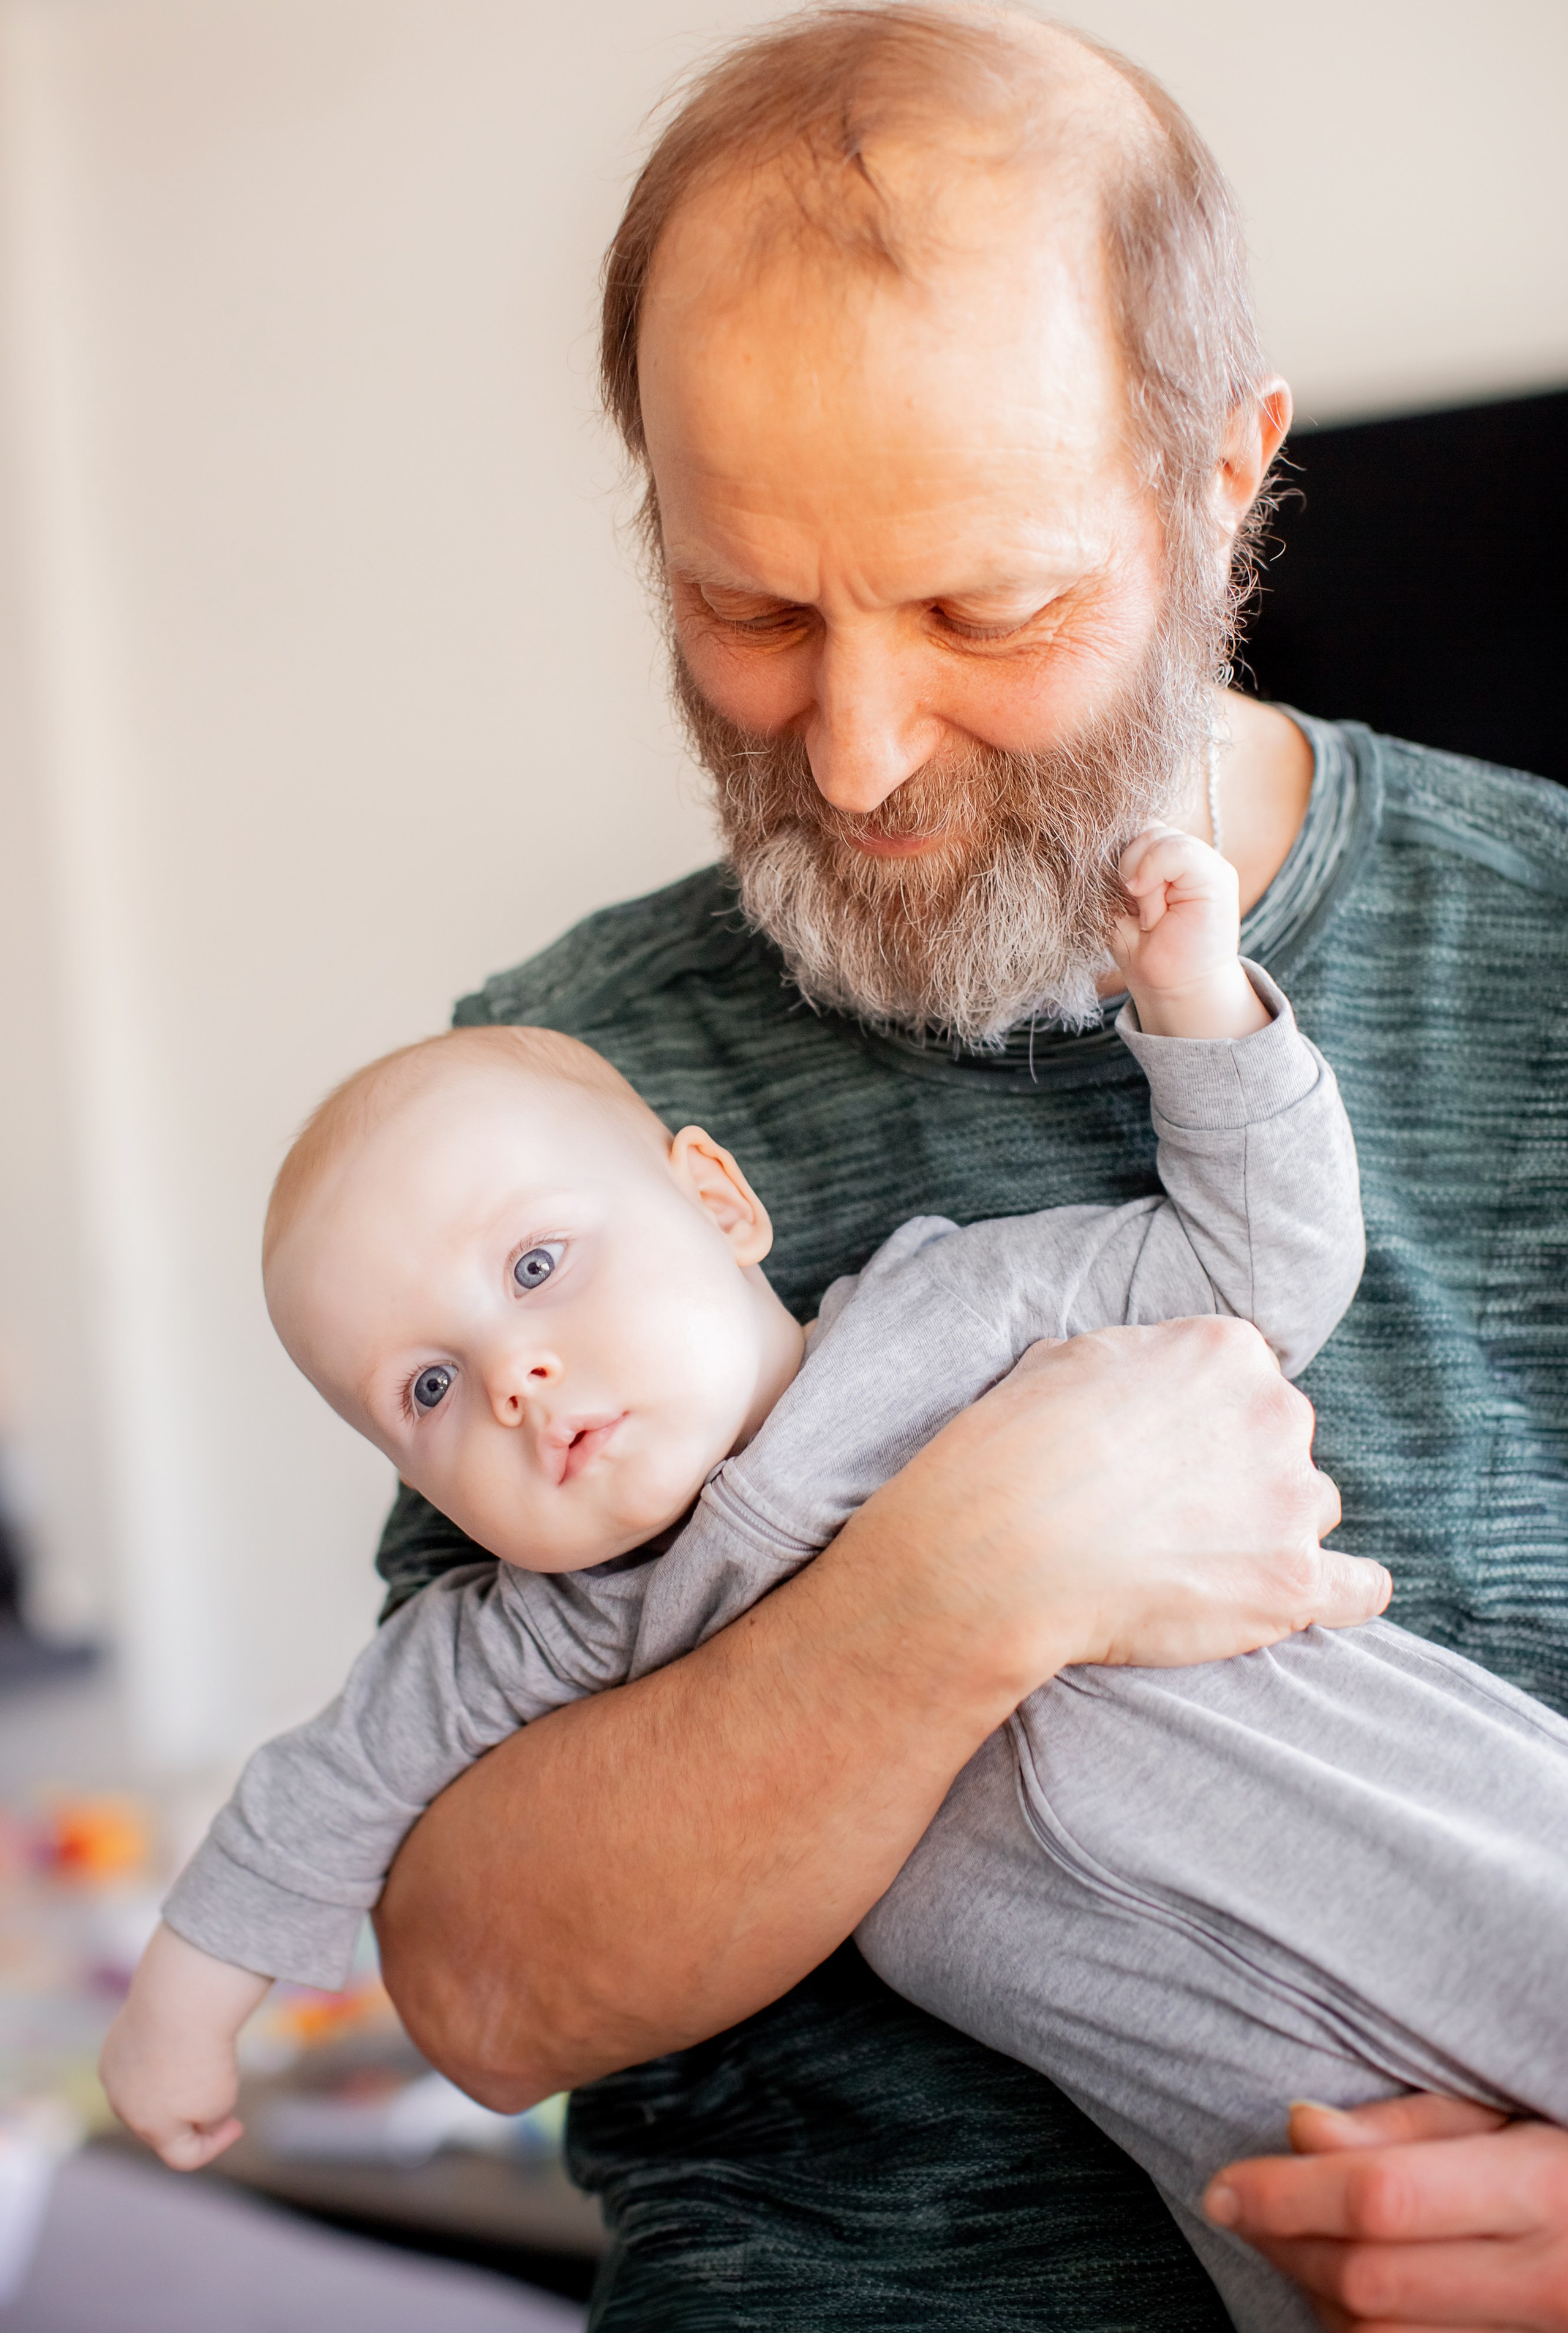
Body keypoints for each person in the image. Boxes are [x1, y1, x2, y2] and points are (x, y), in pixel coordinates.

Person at [356, 0, 1567, 2332]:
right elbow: (480, 1983)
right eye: (752, 609)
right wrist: (946, 1594)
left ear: (1227, 481)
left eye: (984, 607)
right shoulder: (556, 1097)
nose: (864, 740)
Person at [102, 834, 1568, 2333]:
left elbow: (1262, 1264)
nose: (513, 1376)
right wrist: (180, 2017)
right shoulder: (538, 1636)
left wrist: (1198, 1008)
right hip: (1236, 2100)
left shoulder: (955, 1311)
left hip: (1411, 1835)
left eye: (537, 1268)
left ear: (718, 1202)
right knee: (1331, 2262)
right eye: (424, 1386)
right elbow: (319, 1796)